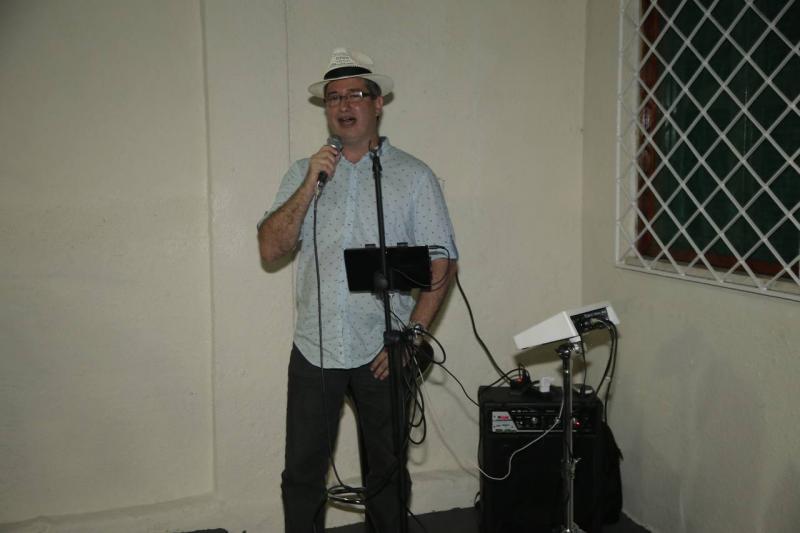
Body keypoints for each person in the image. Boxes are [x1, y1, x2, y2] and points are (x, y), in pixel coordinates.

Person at [257, 48, 458, 533]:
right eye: (333, 98)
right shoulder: (303, 173)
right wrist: (310, 181)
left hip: (383, 349)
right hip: (316, 346)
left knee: (386, 474)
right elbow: (270, 248)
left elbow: (443, 261)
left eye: (355, 95)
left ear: (378, 103)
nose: (344, 105)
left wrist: (413, 335)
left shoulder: (413, 176)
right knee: (302, 473)